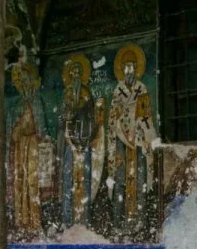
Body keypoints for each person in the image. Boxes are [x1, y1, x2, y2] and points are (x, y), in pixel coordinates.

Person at [109, 44, 156, 228]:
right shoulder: (117, 91)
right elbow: (113, 118)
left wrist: (149, 138)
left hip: (138, 142)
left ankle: (140, 221)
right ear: (122, 69)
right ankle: (118, 223)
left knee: (140, 181)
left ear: (136, 69)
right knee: (120, 180)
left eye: (132, 66)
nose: (129, 70)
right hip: (121, 142)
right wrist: (119, 117)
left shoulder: (141, 89)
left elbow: (146, 116)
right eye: (126, 66)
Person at [59, 54, 100, 227]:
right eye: (73, 73)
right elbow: (61, 119)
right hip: (70, 144)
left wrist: (86, 140)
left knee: (85, 180)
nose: (75, 76)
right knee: (69, 180)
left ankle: (85, 220)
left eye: (78, 73)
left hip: (84, 143)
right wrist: (67, 115)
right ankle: (67, 220)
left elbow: (92, 118)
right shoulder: (66, 95)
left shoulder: (86, 94)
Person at [8, 62, 45, 237]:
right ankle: (22, 222)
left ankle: (35, 223)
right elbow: (12, 129)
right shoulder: (17, 104)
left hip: (33, 146)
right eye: (20, 80)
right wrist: (16, 132)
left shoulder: (36, 101)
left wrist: (34, 131)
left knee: (32, 182)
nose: (23, 83)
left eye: (26, 79)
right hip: (20, 146)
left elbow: (41, 126)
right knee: (20, 182)